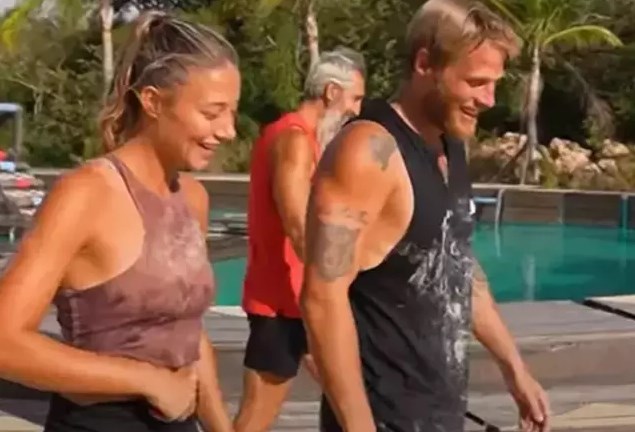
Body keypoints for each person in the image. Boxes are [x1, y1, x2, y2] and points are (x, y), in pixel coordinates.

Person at [301, 1, 551, 432]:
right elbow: (322, 299)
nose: (488, 99)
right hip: (383, 417)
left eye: (494, 84)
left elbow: (455, 263)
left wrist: (515, 368)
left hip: (438, 414)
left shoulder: (449, 145)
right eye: (475, 82)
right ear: (424, 64)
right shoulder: (369, 151)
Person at [0, 11, 239, 432]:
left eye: (232, 112)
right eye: (212, 112)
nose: (229, 131)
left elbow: (186, 332)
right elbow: (5, 342)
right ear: (153, 102)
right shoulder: (86, 194)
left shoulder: (192, 198)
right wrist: (147, 381)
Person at [234, 47, 366, 432]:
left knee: (355, 398)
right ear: (331, 92)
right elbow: (296, 223)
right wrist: (333, 284)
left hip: (301, 299)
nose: (356, 110)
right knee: (254, 420)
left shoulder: (307, 139)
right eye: (354, 98)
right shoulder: (293, 139)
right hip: (282, 303)